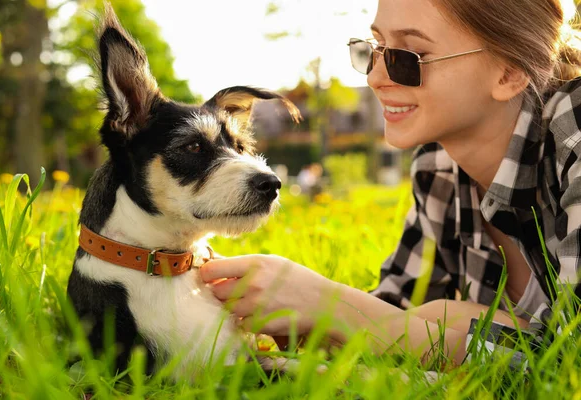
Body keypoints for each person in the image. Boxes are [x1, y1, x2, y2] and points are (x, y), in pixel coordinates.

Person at [200, 0, 581, 365]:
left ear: (509, 72)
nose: (375, 77)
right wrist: (292, 315)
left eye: (408, 57)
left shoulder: (574, 125)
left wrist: (334, 306)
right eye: (377, 47)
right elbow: (396, 308)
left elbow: (567, 362)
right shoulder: (438, 167)